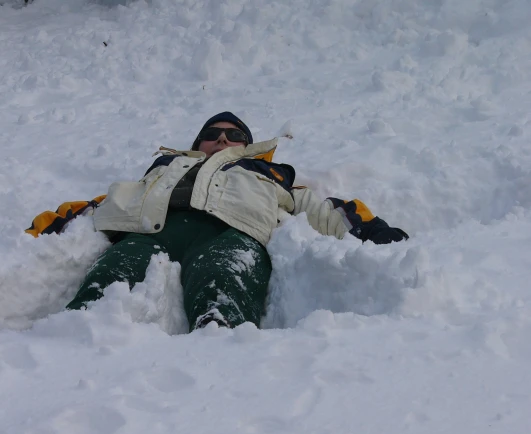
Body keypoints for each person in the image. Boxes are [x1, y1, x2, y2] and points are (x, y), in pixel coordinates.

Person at [25, 112, 408, 332]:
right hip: (155, 231)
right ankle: (72, 327)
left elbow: (328, 209)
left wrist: (377, 235)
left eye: (234, 135)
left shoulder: (270, 175)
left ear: (247, 145)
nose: (222, 139)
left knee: (224, 272)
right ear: (198, 143)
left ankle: (220, 333)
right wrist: (43, 231)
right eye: (212, 134)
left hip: (233, 232)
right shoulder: (167, 168)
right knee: (114, 268)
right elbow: (102, 203)